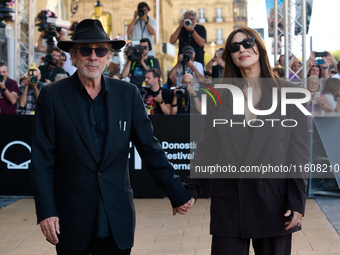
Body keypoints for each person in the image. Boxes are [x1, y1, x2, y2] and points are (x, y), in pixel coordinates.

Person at [31, 19, 194, 255]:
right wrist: (46, 211)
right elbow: (42, 160)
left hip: (116, 217)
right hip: (71, 218)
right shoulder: (52, 96)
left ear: (108, 58)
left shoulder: (128, 94)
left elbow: (150, 148)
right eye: (85, 50)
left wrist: (177, 192)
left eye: (100, 50)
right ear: (74, 57)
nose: (93, 57)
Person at [179, 27, 309, 255]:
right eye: (234, 47)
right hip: (230, 202)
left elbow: (298, 153)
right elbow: (208, 148)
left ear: (259, 46)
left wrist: (297, 201)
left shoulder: (290, 94)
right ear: (230, 56)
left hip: (274, 201)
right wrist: (191, 189)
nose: (242, 49)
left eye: (247, 43)